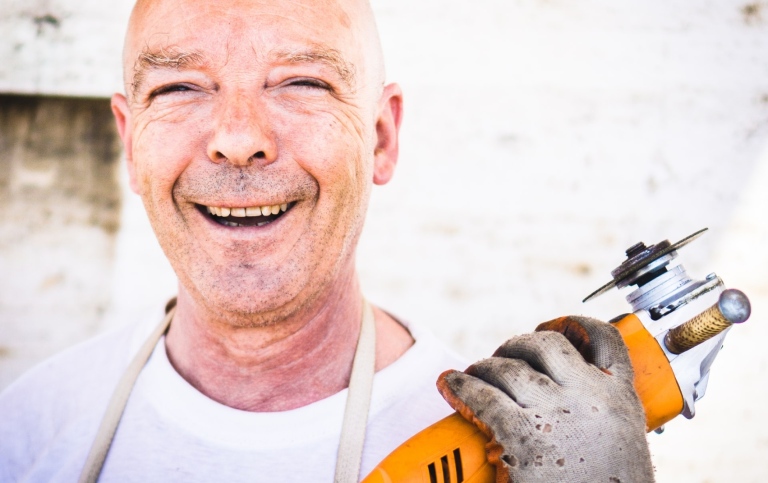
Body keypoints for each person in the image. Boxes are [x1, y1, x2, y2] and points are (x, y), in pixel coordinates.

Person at [0, 0, 654, 481]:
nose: (238, 136)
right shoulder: (30, 426)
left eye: (302, 82)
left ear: (380, 136)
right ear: (130, 140)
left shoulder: (496, 450)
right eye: (179, 87)